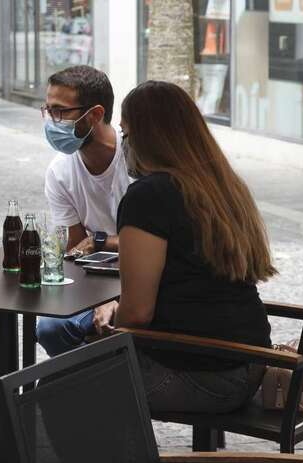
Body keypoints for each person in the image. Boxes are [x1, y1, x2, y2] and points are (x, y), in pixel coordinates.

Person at [102, 80, 276, 413]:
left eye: (126, 134)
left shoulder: (149, 196)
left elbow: (137, 313)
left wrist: (112, 320)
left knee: (58, 389)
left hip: (201, 374)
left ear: (147, 137)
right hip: (250, 363)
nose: (124, 144)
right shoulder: (222, 186)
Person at [36, 65, 131, 357]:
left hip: (147, 281)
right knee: (50, 328)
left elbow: (156, 247)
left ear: (95, 114)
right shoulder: (60, 172)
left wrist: (100, 240)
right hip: (97, 281)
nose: (53, 120)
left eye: (61, 111)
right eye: (48, 110)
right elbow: (78, 250)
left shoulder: (137, 161)